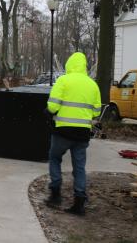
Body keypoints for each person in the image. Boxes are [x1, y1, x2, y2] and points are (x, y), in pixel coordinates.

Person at [45, 52, 101, 216]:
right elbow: (96, 111)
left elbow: (53, 106)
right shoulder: (92, 85)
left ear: (69, 64)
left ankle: (55, 195)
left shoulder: (63, 80)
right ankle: (79, 202)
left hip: (62, 131)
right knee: (79, 167)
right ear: (84, 66)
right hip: (82, 134)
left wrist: (48, 112)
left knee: (55, 158)